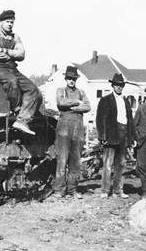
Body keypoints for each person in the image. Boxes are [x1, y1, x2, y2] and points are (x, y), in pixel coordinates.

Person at [0, 9, 42, 135]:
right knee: (12, 81)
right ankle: (17, 109)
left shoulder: (15, 37)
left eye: (12, 22)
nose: (10, 24)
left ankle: (22, 120)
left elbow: (21, 55)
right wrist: (12, 54)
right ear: (1, 22)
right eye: (7, 22)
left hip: (11, 68)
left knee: (34, 91)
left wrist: (5, 51)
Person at [96, 73, 136, 199]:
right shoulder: (105, 100)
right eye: (116, 85)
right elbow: (100, 119)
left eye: (121, 85)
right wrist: (102, 136)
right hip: (111, 135)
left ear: (123, 86)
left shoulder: (126, 102)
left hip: (123, 135)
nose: (118, 87)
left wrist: (132, 137)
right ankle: (105, 190)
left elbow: (130, 120)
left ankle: (118, 190)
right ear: (112, 86)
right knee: (107, 165)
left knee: (121, 164)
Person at [53, 66, 91, 199]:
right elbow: (61, 102)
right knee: (62, 160)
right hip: (63, 129)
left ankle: (72, 190)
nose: (71, 81)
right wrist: (76, 103)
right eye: (69, 78)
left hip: (78, 129)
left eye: (73, 79)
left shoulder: (82, 92)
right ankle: (59, 191)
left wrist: (73, 107)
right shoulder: (60, 90)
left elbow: (87, 106)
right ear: (66, 79)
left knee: (75, 161)